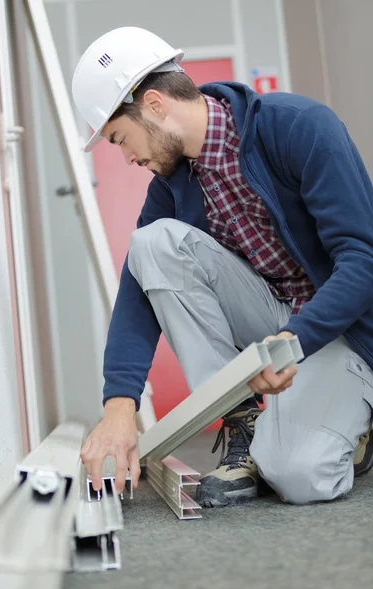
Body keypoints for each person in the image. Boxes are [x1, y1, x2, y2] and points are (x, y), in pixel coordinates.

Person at [72, 26, 373, 507]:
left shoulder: (298, 126)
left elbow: (363, 260)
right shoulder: (171, 186)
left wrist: (297, 340)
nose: (126, 158)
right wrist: (119, 406)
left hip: (339, 331)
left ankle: (355, 425)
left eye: (120, 139)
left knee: (300, 478)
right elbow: (136, 291)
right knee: (152, 244)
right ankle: (245, 424)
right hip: (275, 324)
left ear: (153, 105)